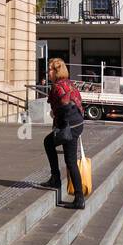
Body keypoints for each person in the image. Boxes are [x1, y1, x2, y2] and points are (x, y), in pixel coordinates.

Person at [40, 58, 86, 210]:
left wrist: (58, 119)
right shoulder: (69, 83)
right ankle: (75, 193)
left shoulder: (58, 86)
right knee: (68, 158)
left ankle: (60, 182)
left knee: (57, 149)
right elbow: (77, 102)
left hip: (69, 126)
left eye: (50, 70)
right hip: (77, 123)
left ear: (57, 71)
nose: (48, 73)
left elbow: (65, 106)